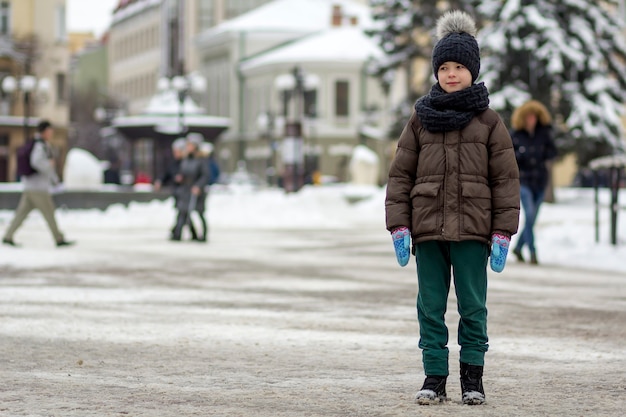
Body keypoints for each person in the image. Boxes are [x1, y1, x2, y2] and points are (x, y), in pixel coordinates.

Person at [384, 11, 520, 406]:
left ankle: (473, 378)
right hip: (427, 230)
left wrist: (501, 231)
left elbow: (505, 181)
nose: (451, 73)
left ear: (473, 70)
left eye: (459, 66)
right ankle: (435, 377)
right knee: (430, 306)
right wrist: (399, 225)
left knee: (473, 306)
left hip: (474, 231)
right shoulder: (420, 120)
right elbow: (400, 176)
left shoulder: (489, 122)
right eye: (444, 66)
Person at [3, 120, 75, 248]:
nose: (51, 133)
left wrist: (54, 179)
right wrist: (49, 165)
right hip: (38, 188)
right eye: (50, 130)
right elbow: (37, 162)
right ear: (45, 131)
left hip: (31, 186)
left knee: (21, 213)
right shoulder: (40, 145)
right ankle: (58, 238)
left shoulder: (37, 143)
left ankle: (8, 236)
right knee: (49, 212)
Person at [510, 100, 557, 265]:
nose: (532, 119)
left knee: (532, 219)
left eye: (534, 116)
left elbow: (553, 152)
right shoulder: (516, 135)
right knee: (529, 214)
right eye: (529, 116)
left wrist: (545, 153)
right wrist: (521, 155)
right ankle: (532, 251)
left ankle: (518, 247)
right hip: (523, 181)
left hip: (540, 180)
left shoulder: (544, 134)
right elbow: (509, 156)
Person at [154, 137, 198, 241]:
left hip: (185, 191)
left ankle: (176, 233)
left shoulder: (188, 162)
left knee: (182, 212)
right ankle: (192, 233)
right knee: (183, 213)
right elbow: (167, 174)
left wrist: (183, 178)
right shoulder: (174, 163)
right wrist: (160, 181)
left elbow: (193, 175)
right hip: (177, 191)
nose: (175, 153)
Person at [171, 133, 209, 242]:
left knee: (199, 213)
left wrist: (198, 186)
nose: (188, 147)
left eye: (190, 145)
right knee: (184, 211)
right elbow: (183, 171)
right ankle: (184, 233)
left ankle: (204, 234)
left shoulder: (201, 160)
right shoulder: (186, 159)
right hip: (186, 189)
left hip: (197, 191)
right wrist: (180, 178)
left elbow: (205, 175)